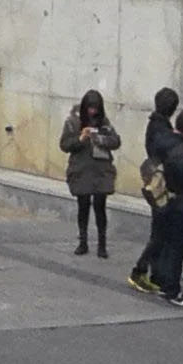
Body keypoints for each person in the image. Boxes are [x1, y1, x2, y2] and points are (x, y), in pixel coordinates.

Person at [63, 92, 121, 258]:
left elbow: (116, 141)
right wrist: (81, 139)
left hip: (101, 171)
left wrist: (100, 139)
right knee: (83, 205)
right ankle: (83, 241)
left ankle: (102, 244)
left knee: (100, 206)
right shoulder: (73, 122)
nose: (92, 113)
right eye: (90, 109)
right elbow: (65, 144)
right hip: (81, 170)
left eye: (95, 109)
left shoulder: (105, 123)